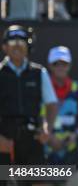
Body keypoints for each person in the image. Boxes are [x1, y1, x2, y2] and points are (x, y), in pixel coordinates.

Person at [0, 25, 58, 182]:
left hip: (33, 139)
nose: (17, 47)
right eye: (13, 43)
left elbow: (51, 104)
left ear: (28, 47)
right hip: (5, 140)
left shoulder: (39, 73)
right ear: (4, 47)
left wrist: (48, 128)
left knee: (39, 181)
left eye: (22, 43)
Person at [46, 46, 78, 186]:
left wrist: (76, 134)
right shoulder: (42, 87)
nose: (60, 67)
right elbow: (37, 118)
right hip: (46, 158)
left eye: (64, 64)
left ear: (69, 65)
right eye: (56, 64)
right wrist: (49, 138)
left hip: (72, 157)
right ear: (50, 66)